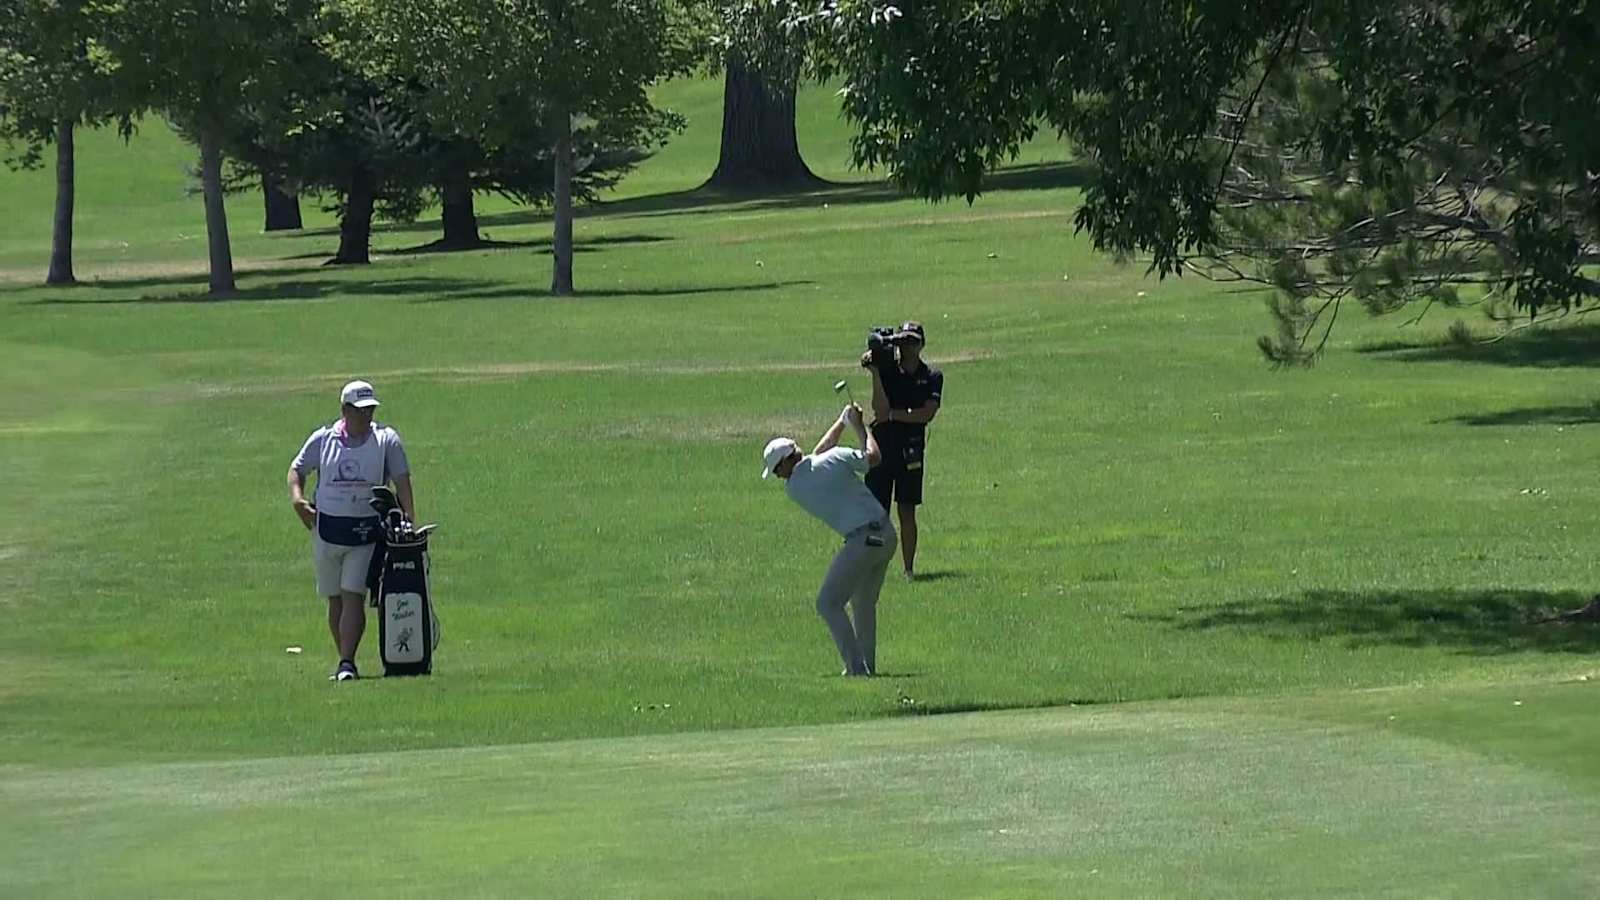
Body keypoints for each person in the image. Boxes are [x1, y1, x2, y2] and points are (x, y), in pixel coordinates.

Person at [287, 380, 414, 682]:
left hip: (365, 532)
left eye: (370, 410)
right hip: (327, 530)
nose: (366, 416)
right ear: (345, 410)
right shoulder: (323, 439)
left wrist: (408, 519)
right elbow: (297, 471)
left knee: (352, 593)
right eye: (360, 411)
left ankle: (347, 662)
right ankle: (345, 658)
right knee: (335, 598)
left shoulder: (386, 441)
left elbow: (402, 480)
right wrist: (298, 501)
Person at [762, 403, 894, 676]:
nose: (778, 476)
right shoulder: (834, 458)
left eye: (777, 470)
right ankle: (867, 668)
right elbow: (871, 457)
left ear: (788, 461)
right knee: (862, 602)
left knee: (828, 603)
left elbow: (819, 457)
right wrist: (857, 426)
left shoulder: (796, 488)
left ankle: (857, 669)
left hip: (862, 541)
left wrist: (847, 422)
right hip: (886, 536)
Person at [863, 320, 943, 580]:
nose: (907, 347)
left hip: (910, 450)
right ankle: (873, 569)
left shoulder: (931, 376)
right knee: (876, 512)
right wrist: (876, 372)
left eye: (912, 341)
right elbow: (878, 409)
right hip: (883, 448)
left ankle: (908, 569)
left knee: (907, 510)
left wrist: (895, 415)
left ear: (921, 344)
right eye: (903, 341)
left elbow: (927, 414)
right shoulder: (887, 370)